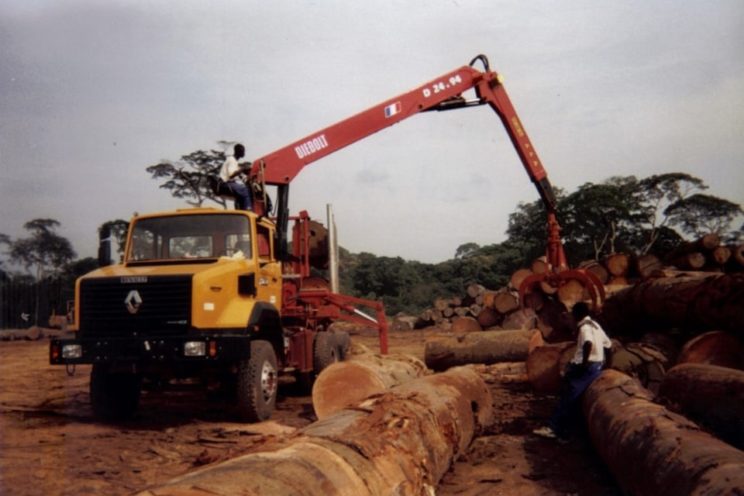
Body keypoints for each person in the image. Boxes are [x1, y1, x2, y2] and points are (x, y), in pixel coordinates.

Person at [533, 301, 612, 441]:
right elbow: (608, 345)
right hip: (596, 365)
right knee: (572, 395)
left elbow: (588, 343)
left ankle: (554, 428)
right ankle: (565, 431)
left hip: (586, 366)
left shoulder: (585, 328)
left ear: (577, 314)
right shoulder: (596, 326)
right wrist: (606, 365)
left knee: (569, 395)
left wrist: (584, 363)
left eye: (573, 314)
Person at [219, 143, 252, 210]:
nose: (244, 153)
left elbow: (238, 175)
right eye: (243, 151)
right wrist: (243, 168)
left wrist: (246, 176)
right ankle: (248, 209)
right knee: (245, 190)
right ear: (238, 151)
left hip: (227, 183)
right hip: (225, 184)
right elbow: (231, 175)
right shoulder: (232, 160)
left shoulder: (234, 161)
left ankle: (240, 208)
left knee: (242, 190)